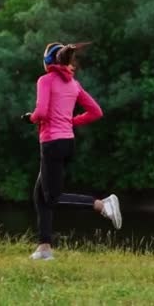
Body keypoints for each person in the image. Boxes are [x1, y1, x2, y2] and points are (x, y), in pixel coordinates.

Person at [22, 42, 122, 261]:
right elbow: (96, 112)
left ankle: (102, 205)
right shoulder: (74, 84)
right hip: (67, 142)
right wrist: (71, 121)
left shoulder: (45, 80)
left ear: (47, 61)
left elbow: (40, 112)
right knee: (40, 196)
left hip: (51, 144)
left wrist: (30, 118)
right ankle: (44, 248)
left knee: (53, 197)